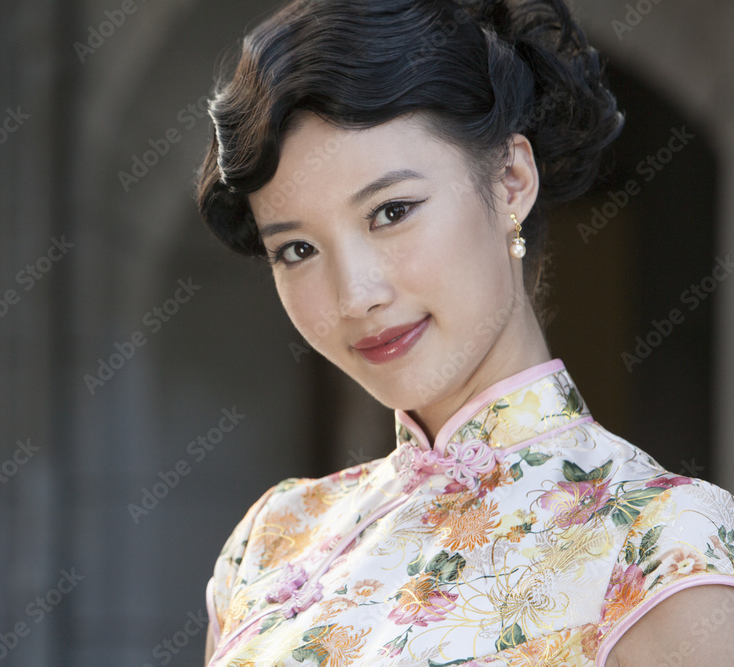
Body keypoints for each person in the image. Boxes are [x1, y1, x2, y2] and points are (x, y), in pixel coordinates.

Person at [193, 0, 734, 665]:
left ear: (511, 180)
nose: (356, 295)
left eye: (392, 211)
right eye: (297, 250)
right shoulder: (275, 538)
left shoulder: (665, 547)